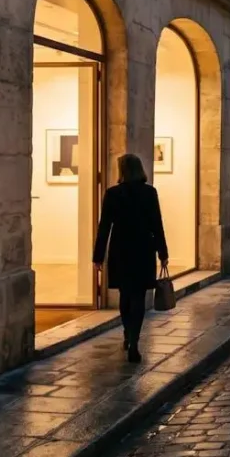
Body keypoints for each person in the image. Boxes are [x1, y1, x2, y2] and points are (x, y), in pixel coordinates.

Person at [92, 153, 168, 363]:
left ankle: (127, 332)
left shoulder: (113, 194)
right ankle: (134, 339)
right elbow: (157, 224)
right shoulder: (149, 193)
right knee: (139, 297)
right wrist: (163, 252)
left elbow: (104, 227)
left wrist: (98, 256)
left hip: (121, 249)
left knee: (126, 295)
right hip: (143, 248)